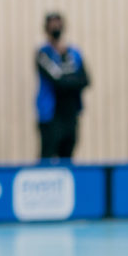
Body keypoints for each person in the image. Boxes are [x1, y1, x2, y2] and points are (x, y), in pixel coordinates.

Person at [34, 12, 90, 160]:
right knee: (48, 153)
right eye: (52, 25)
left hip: (70, 112)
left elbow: (85, 80)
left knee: (68, 154)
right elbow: (57, 81)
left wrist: (67, 80)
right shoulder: (43, 54)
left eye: (58, 24)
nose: (56, 28)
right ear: (46, 29)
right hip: (51, 114)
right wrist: (72, 79)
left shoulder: (74, 53)